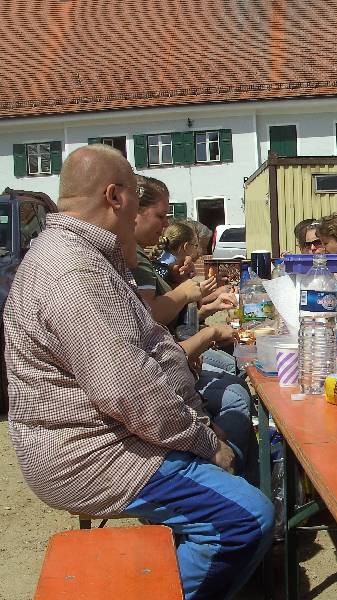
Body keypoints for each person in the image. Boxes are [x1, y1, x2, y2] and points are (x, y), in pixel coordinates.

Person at [4, 144, 273, 598]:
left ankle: (203, 551)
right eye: (136, 197)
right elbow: (128, 390)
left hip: (118, 433)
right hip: (93, 454)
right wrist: (205, 441)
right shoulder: (72, 272)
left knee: (234, 434)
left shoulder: (88, 256)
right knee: (247, 519)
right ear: (115, 196)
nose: (146, 217)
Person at [132, 175, 258, 485]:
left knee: (233, 372)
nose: (164, 225)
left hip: (177, 361)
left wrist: (201, 301)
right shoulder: (142, 262)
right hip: (169, 372)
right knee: (235, 389)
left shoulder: (144, 260)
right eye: (160, 215)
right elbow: (152, 319)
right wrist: (192, 302)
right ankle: (234, 477)